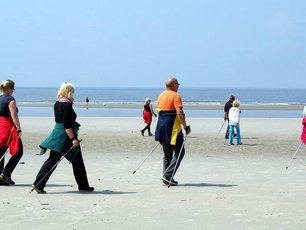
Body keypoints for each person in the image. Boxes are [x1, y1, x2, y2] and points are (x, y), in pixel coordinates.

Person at [32, 82, 94, 194]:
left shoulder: (57, 103)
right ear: (69, 91)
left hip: (58, 133)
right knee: (54, 160)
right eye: (72, 91)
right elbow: (66, 125)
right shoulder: (67, 105)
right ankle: (38, 184)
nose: (73, 94)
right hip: (64, 136)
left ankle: (84, 185)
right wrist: (73, 139)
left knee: (75, 160)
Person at [155, 77, 191, 186]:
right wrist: (185, 126)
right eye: (177, 84)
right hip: (172, 128)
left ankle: (167, 177)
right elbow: (179, 112)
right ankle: (167, 175)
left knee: (167, 155)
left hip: (161, 127)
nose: (179, 85)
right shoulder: (176, 96)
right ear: (173, 85)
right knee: (180, 152)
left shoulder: (161, 95)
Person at [0, 80, 23, 185]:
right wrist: (19, 129)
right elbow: (14, 116)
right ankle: (6, 173)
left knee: (1, 151)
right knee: (18, 151)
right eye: (13, 88)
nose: (13, 90)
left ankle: (2, 177)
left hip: (0, 126)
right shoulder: (10, 100)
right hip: (8, 128)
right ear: (8, 89)